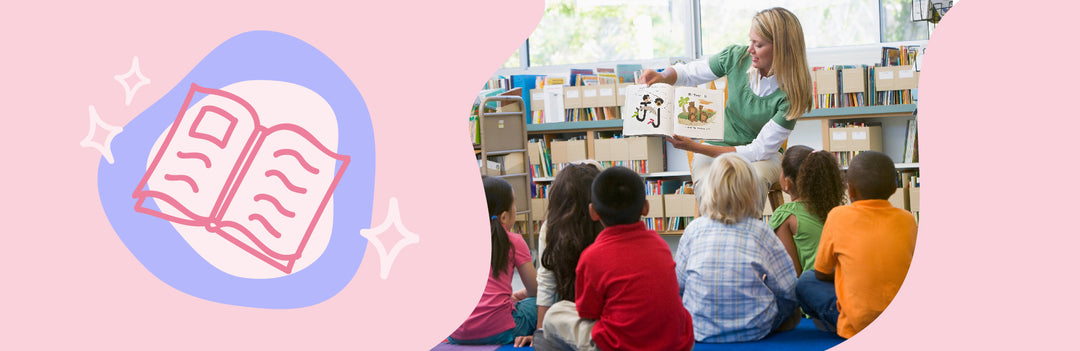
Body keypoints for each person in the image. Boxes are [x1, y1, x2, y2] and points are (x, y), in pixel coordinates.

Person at [639, 7, 813, 201]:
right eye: (750, 41)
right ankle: (712, 230)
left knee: (752, 181)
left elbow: (759, 150)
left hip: (763, 156)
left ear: (781, 48)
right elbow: (690, 72)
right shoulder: (736, 57)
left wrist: (695, 147)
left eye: (759, 44)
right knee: (707, 182)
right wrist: (662, 76)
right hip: (719, 143)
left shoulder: (791, 95)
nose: (750, 49)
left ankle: (746, 231)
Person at [543, 167, 694, 351]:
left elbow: (588, 313)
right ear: (646, 208)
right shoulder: (661, 245)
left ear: (593, 212)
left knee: (555, 313)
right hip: (676, 343)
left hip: (620, 345)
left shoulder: (592, 257)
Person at [674, 153, 800, 343]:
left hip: (700, 330)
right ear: (753, 192)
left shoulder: (693, 230)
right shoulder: (760, 231)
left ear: (709, 190)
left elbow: (679, 286)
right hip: (753, 329)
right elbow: (788, 288)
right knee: (792, 310)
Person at [795, 151, 918, 339]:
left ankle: (834, 321)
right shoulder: (908, 220)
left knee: (806, 281)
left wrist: (849, 272)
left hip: (856, 325)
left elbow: (821, 272)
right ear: (895, 188)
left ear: (849, 190)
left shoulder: (837, 216)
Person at [448, 176, 538, 346]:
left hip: (456, 332)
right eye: (514, 206)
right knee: (551, 296)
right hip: (501, 329)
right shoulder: (514, 241)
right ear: (504, 217)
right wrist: (523, 294)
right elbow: (536, 291)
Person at [532, 162, 605, 349]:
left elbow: (547, 283)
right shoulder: (610, 221)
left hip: (591, 322)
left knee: (549, 311)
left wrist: (541, 333)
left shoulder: (550, 228)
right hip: (616, 321)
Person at [769, 146, 846, 275]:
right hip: (844, 286)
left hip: (815, 288)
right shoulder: (838, 210)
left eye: (780, 171)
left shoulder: (785, 216)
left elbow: (791, 275)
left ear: (787, 183)